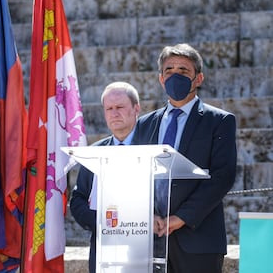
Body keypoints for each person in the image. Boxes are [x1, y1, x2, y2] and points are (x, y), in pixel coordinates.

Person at [133, 43, 237, 273]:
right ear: (161, 79)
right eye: (169, 70)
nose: (175, 76)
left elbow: (223, 176)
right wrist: (148, 214)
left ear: (198, 78)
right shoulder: (145, 124)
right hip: (151, 239)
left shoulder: (219, 121)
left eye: (183, 70)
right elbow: (136, 173)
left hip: (198, 239)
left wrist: (181, 217)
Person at [70, 81, 141, 273]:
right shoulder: (94, 153)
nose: (114, 113)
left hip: (145, 246)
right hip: (104, 249)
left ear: (136, 109)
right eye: (109, 108)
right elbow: (78, 199)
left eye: (120, 107)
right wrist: (104, 224)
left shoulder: (153, 147)